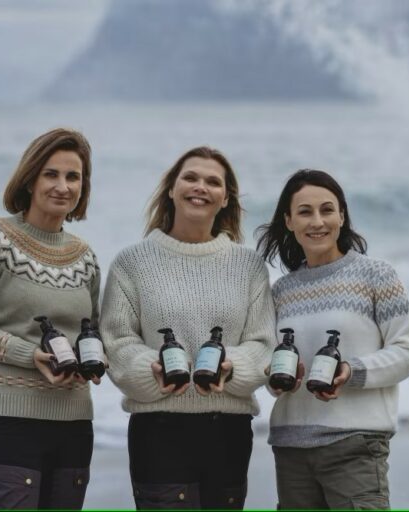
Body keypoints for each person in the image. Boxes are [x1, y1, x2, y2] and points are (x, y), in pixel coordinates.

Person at [100, 146, 275, 510]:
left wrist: (234, 366)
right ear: (171, 188)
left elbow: (262, 343)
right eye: (190, 177)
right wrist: (150, 370)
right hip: (158, 429)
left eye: (213, 182)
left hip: (228, 430)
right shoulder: (132, 262)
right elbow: (117, 341)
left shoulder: (249, 266)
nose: (201, 187)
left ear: (226, 198)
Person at [0, 128, 102, 510]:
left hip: (74, 424)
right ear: (29, 179)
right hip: (7, 419)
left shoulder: (86, 257)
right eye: (51, 174)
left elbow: (92, 332)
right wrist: (29, 354)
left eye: (73, 176)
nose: (62, 186)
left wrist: (100, 358)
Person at [256, 169, 409, 510]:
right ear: (288, 221)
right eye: (305, 212)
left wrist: (350, 371)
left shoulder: (376, 274)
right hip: (291, 449)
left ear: (342, 216)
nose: (317, 221)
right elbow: (271, 370)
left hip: (355, 445)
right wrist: (275, 380)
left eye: (327, 210)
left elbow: (407, 351)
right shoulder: (281, 291)